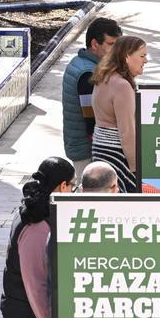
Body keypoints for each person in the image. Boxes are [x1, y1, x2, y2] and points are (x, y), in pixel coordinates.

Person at [1, 156, 75, 318]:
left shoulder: (40, 212)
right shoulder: (36, 226)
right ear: (62, 186)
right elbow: (36, 288)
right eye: (72, 186)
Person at [62, 18, 122, 178]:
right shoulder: (89, 73)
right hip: (89, 153)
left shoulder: (83, 63)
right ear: (95, 44)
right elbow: (92, 120)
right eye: (111, 44)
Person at [91, 35, 148, 194]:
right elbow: (127, 133)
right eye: (142, 56)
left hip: (99, 149)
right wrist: (137, 169)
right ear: (127, 57)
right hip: (117, 155)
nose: (145, 61)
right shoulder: (122, 86)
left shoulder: (103, 77)